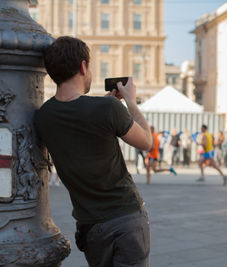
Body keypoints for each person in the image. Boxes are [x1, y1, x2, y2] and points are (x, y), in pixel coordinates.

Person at [34, 37, 152, 266]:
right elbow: (146, 141)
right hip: (125, 218)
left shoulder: (43, 116)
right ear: (83, 66)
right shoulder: (107, 108)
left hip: (90, 227)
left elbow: (79, 120)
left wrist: (107, 106)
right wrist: (131, 102)